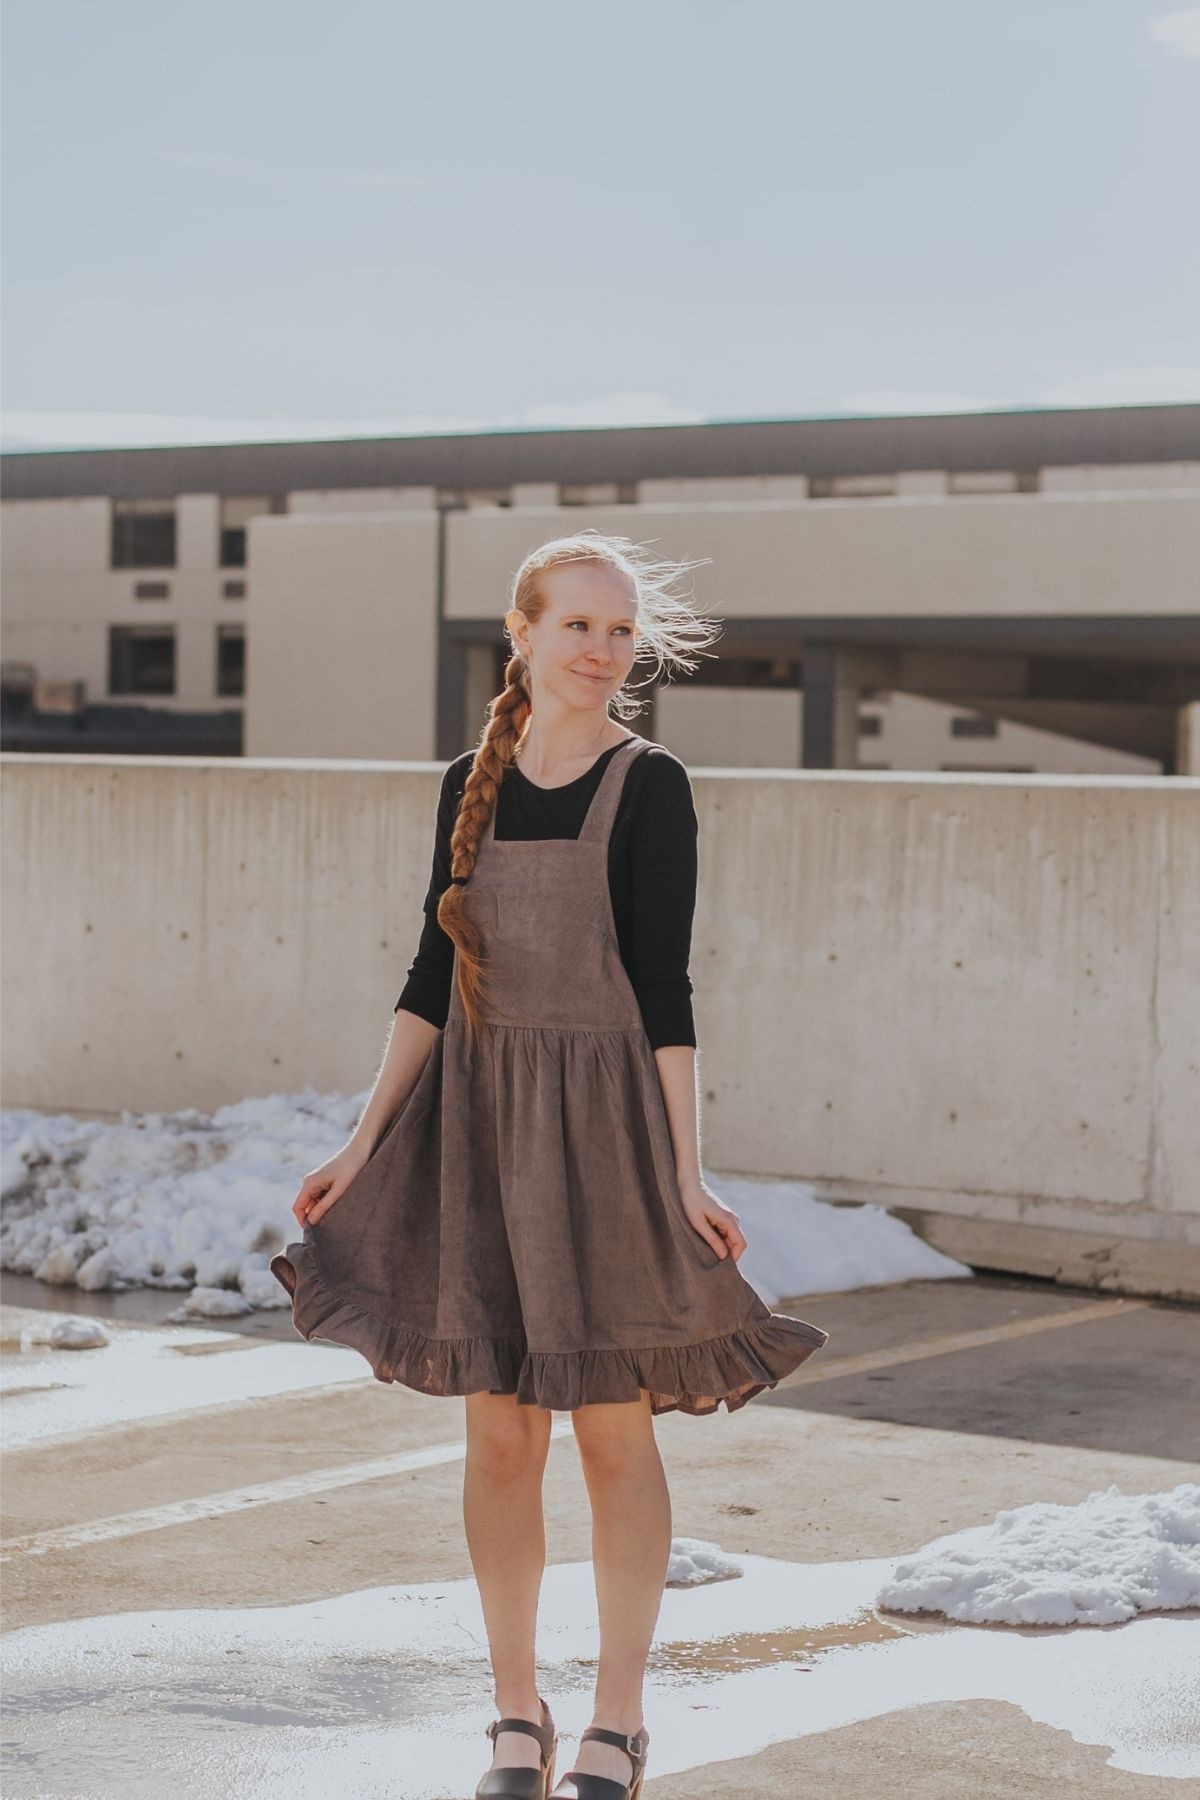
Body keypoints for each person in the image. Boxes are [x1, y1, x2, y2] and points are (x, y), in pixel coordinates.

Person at [271, 530, 829, 1800]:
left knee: (613, 1440)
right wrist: (362, 1146)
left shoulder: (653, 782)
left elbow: (667, 992)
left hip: (606, 1137)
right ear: (519, 633)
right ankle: (515, 1717)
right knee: (502, 1441)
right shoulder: (470, 777)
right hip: (475, 1129)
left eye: (623, 630)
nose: (604, 650)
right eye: (580, 625)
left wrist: (687, 1172)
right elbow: (428, 978)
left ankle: (617, 1727)